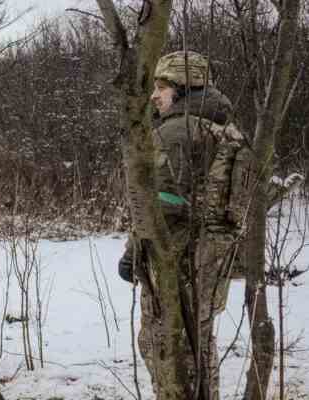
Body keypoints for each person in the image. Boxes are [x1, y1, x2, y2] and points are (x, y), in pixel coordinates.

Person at [123, 50, 248, 399]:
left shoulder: (176, 131)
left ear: (182, 88)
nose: (154, 95)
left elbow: (159, 205)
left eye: (162, 87)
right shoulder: (226, 130)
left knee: (164, 346)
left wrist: (133, 251)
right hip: (211, 263)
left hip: (175, 260)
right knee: (200, 345)